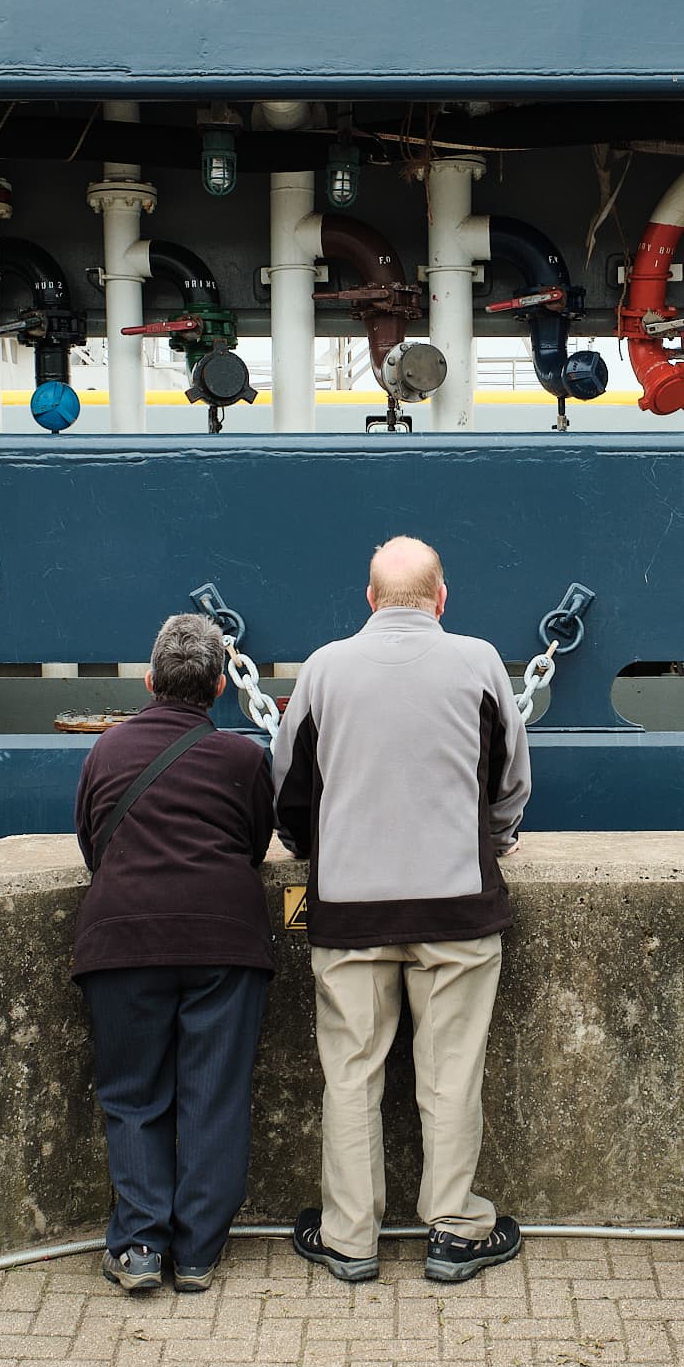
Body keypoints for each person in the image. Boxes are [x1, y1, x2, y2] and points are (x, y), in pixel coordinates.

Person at [271, 536, 532, 1284]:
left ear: (370, 598)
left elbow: (288, 785)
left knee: (350, 1077)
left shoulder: (324, 669)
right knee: (450, 1074)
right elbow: (511, 779)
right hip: (457, 910)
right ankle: (453, 1232)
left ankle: (350, 1239)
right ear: (441, 598)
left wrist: (307, 845)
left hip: (350, 911)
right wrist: (494, 840)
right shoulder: (480, 663)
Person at [72, 613, 275, 1294]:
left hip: (121, 940)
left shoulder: (104, 753)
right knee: (213, 1093)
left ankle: (137, 1247)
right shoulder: (245, 759)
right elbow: (253, 845)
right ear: (221, 686)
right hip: (225, 941)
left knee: (133, 1094)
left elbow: (91, 845)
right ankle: (196, 1253)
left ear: (150, 680)